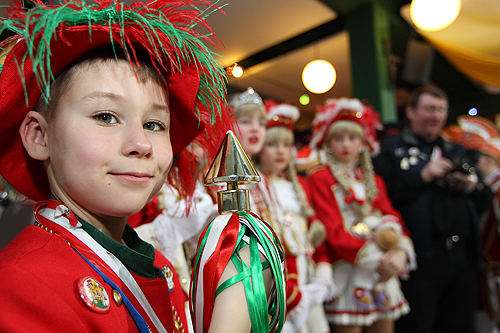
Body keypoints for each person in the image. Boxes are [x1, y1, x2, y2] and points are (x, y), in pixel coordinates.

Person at [0, 0, 234, 331]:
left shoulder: (158, 263)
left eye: (154, 124)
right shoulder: (17, 287)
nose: (140, 145)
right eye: (106, 116)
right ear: (41, 136)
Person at [373, 85, 492, 333]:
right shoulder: (391, 150)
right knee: (418, 326)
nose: (436, 116)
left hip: (463, 258)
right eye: (429, 109)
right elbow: (382, 200)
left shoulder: (458, 151)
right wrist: (423, 176)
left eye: (441, 110)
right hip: (420, 260)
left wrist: (473, 186)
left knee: (461, 326)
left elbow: (485, 202)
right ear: (411, 112)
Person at [308, 98, 415, 333]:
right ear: (328, 144)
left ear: (363, 143)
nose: (345, 144)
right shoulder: (320, 178)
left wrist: (399, 252)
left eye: (352, 138)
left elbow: (392, 217)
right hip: (349, 269)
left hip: (383, 270)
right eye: (338, 138)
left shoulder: (374, 180)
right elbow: (332, 230)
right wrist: (379, 260)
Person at [254, 100, 335, 333]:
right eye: (273, 144)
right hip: (278, 290)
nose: (281, 151)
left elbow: (314, 238)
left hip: (309, 285)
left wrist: (323, 275)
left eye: (287, 145)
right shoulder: (254, 188)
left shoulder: (301, 185)